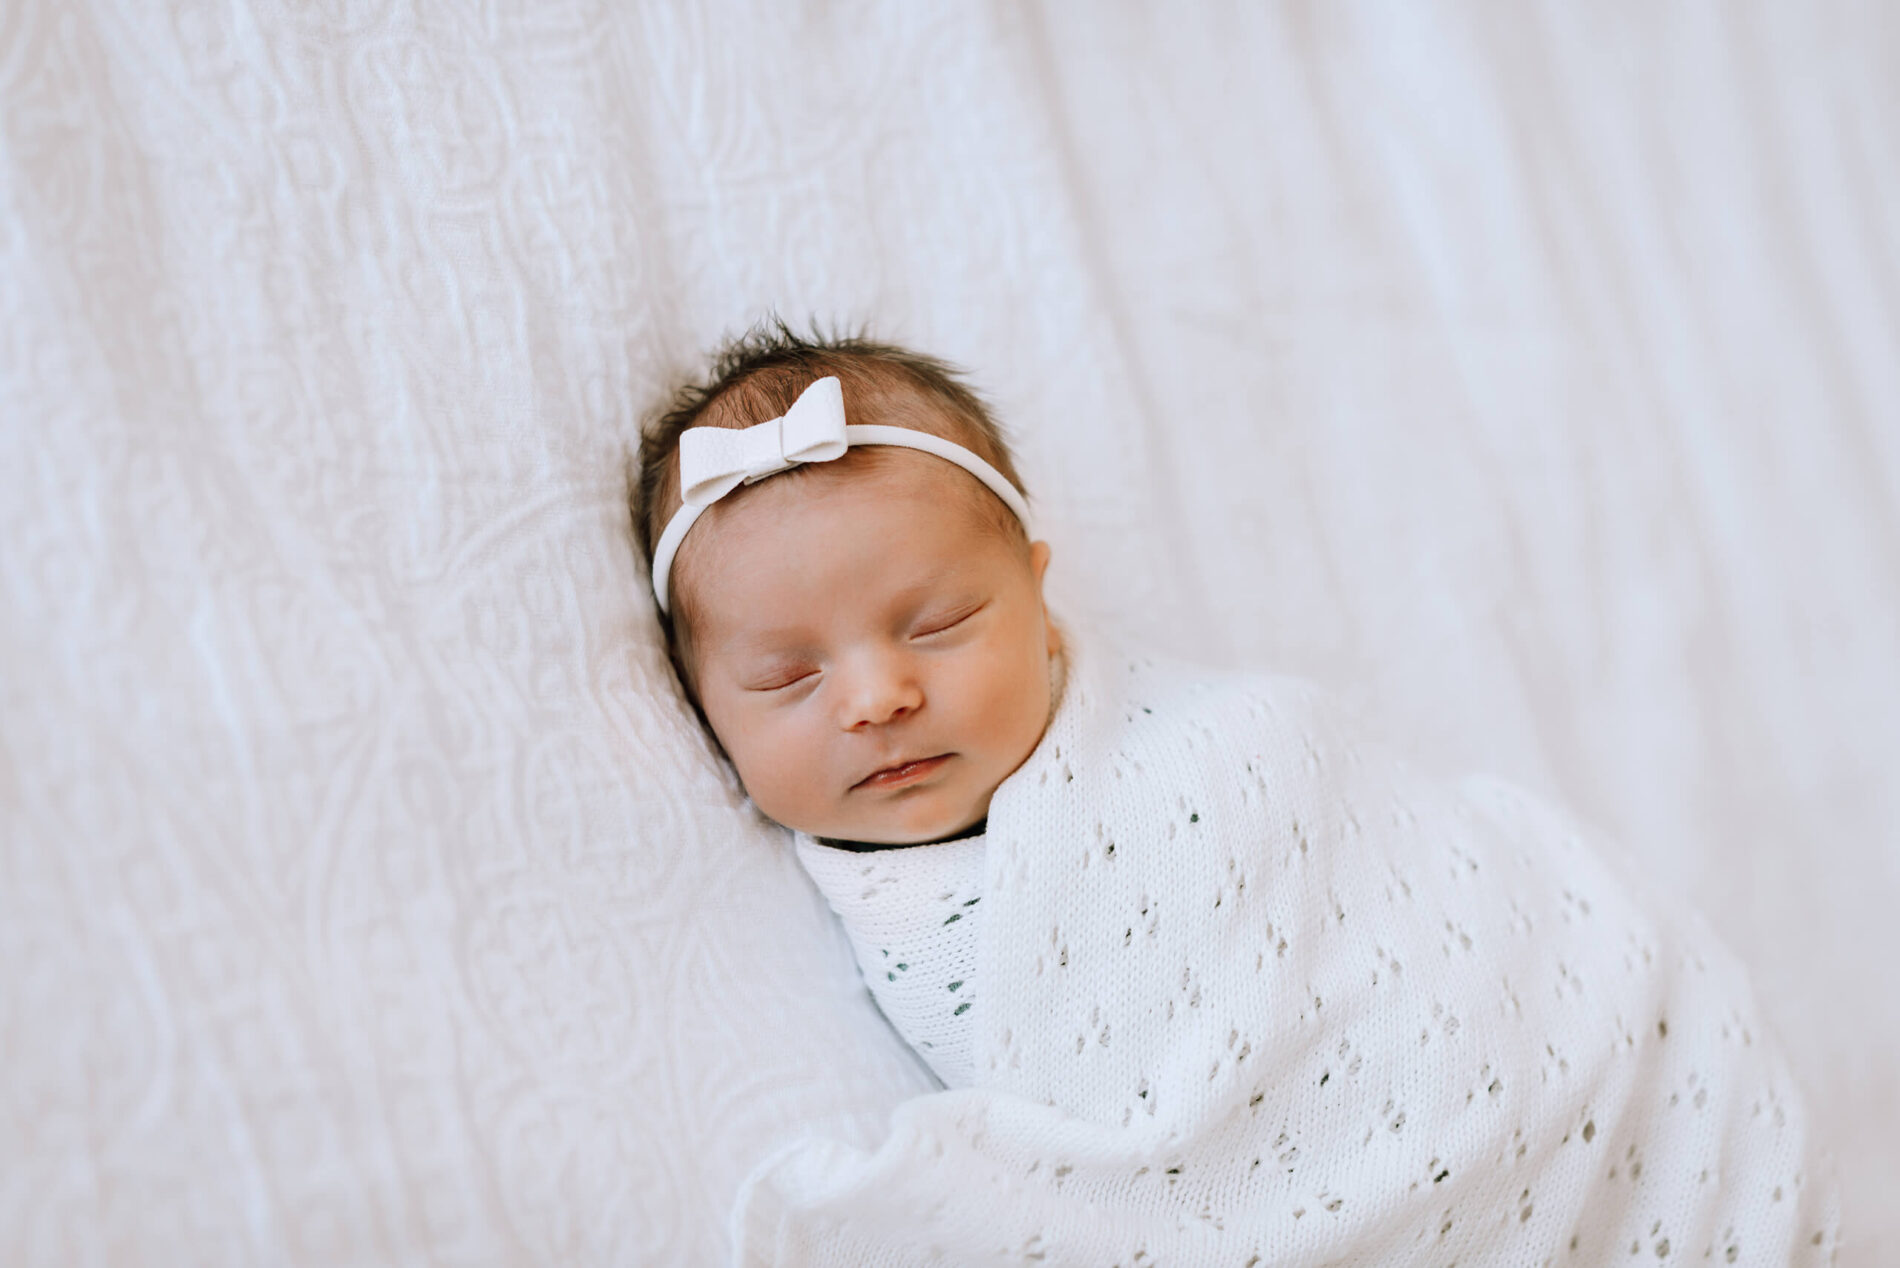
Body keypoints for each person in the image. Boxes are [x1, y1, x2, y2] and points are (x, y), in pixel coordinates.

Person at [632, 322, 1836, 1265]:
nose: (878, 693)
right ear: (697, 701)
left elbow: (1380, 865)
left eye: (939, 623)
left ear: (1038, 595)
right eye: (788, 677)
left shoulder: (1210, 748)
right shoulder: (887, 903)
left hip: (1566, 1036)